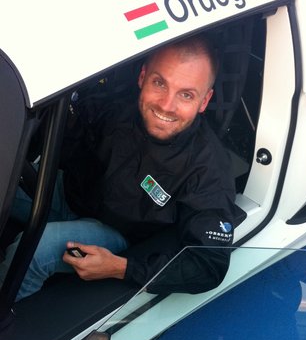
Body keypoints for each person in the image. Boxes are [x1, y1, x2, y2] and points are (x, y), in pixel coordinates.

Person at [0, 35, 238, 301]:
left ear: (204, 101)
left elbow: (209, 265)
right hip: (70, 192)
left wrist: (121, 268)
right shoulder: (118, 106)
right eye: (159, 83)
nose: (166, 105)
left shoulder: (208, 169)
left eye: (186, 95)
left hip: (116, 232)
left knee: (32, 252)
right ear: (142, 77)